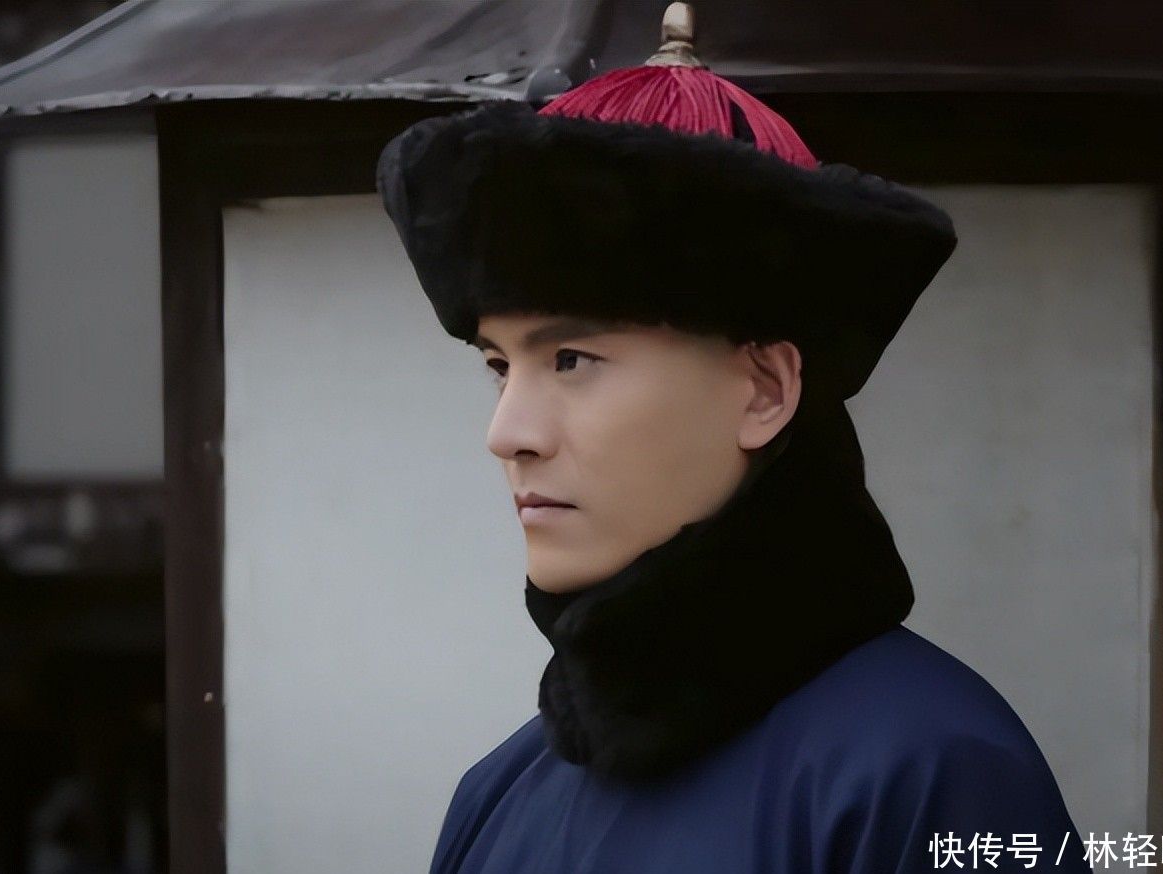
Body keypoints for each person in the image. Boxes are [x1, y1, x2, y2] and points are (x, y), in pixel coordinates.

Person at [376, 5, 1092, 872]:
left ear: (764, 391)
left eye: (570, 359)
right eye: (499, 365)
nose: (507, 434)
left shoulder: (931, 774)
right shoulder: (497, 794)